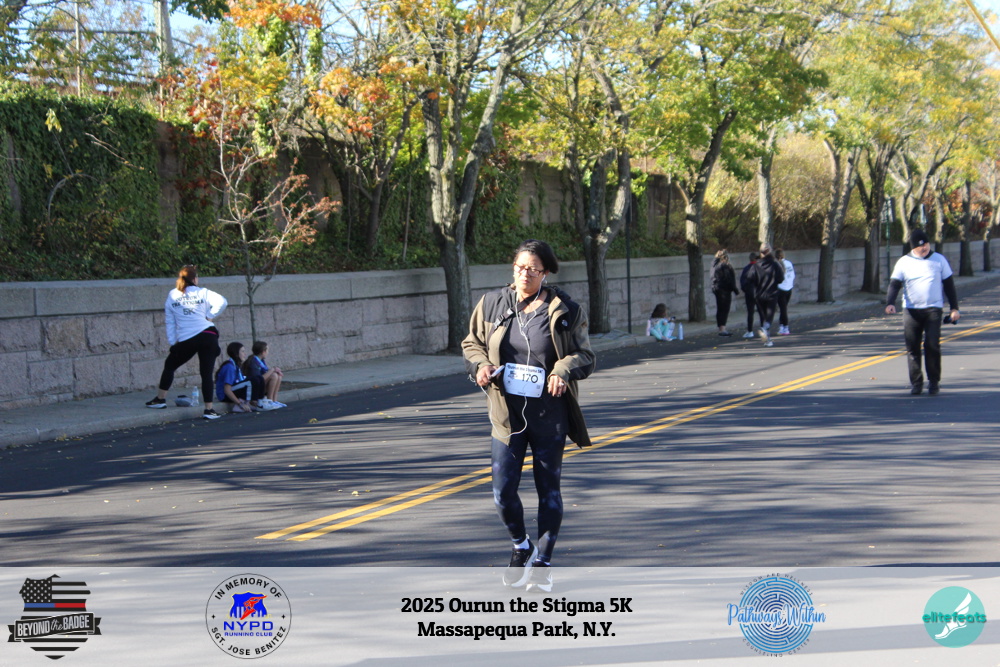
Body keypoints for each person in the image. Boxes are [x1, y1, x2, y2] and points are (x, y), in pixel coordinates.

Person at [462, 239, 596, 594]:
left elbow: (585, 355)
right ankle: (522, 545)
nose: (525, 274)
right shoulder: (492, 303)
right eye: (521, 267)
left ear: (546, 273)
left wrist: (562, 370)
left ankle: (543, 565)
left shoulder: (565, 310)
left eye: (534, 269)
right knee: (502, 492)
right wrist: (480, 366)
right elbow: (472, 343)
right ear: (513, 267)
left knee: (548, 490)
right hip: (506, 414)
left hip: (549, 414)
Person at [145, 265, 227, 420]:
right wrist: (210, 315)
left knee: (170, 365)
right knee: (206, 373)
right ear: (195, 279)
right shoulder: (203, 292)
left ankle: (160, 399)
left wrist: (173, 342)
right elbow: (222, 302)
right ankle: (209, 410)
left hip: (187, 338)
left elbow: (170, 321)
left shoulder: (173, 295)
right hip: (208, 335)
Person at [885, 228, 960, 395]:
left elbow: (949, 285)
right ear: (913, 247)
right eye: (920, 246)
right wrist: (890, 303)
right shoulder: (903, 262)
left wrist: (954, 308)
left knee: (932, 344)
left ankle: (934, 382)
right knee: (912, 347)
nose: (924, 247)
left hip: (933, 309)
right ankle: (916, 383)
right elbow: (895, 284)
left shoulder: (939, 260)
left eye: (926, 244)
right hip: (911, 311)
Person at [746, 243, 784, 347]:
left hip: (759, 294)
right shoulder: (775, 264)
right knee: (769, 317)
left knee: (763, 316)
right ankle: (765, 329)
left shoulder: (755, 265)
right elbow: (781, 278)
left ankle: (768, 339)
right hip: (772, 293)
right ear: (769, 251)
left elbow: (749, 278)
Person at [215, 341, 269, 412]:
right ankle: (251, 402)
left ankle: (260, 401)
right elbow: (227, 390)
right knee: (252, 381)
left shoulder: (236, 365)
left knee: (259, 378)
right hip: (224, 396)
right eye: (243, 351)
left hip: (233, 390)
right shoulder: (230, 367)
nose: (245, 354)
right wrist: (240, 403)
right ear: (236, 354)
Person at [244, 341, 286, 409]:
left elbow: (265, 372)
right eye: (267, 350)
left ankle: (275, 400)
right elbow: (259, 379)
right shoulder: (253, 362)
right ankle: (270, 400)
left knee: (278, 375)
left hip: (260, 385)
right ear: (263, 352)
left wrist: (275, 370)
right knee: (273, 376)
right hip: (254, 388)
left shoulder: (261, 360)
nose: (268, 352)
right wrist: (272, 370)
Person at [710, 249, 739, 336]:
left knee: (719, 309)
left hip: (716, 288)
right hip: (725, 290)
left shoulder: (714, 265)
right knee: (725, 309)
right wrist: (735, 290)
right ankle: (723, 328)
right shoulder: (725, 266)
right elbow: (729, 279)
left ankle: (720, 327)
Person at [739, 252, 760, 339]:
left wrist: (746, 290)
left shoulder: (746, 269)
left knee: (750, 312)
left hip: (750, 292)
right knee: (762, 312)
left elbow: (742, 282)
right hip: (759, 292)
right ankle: (764, 329)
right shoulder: (760, 268)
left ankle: (750, 331)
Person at [775, 248, 796, 336]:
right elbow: (793, 275)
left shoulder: (777, 264)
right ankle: (782, 326)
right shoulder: (789, 263)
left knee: (783, 309)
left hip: (781, 288)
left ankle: (785, 327)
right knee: (783, 308)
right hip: (789, 288)